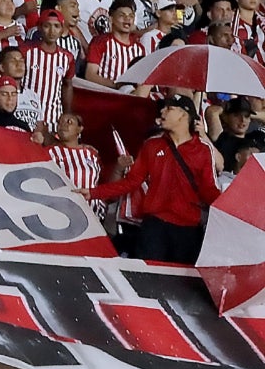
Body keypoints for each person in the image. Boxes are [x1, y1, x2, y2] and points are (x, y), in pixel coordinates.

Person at [90, 97, 221, 263]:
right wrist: (92, 193)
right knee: (147, 275)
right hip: (154, 226)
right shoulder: (151, 145)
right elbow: (131, 182)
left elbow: (208, 189)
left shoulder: (203, 150)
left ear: (183, 115)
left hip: (188, 230)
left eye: (169, 109)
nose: (162, 112)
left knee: (183, 278)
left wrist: (228, 209)